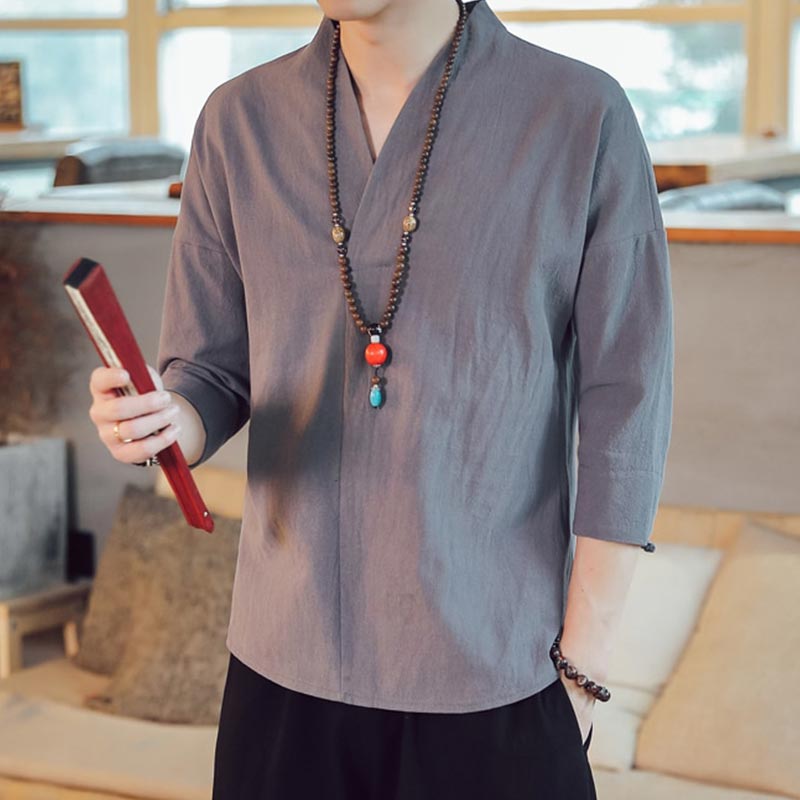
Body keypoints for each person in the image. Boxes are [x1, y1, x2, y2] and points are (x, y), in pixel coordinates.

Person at [87, 0, 674, 796]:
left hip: (497, 675)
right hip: (282, 669)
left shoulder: (577, 114)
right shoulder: (238, 121)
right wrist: (163, 420)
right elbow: (211, 374)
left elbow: (626, 409)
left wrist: (584, 670)